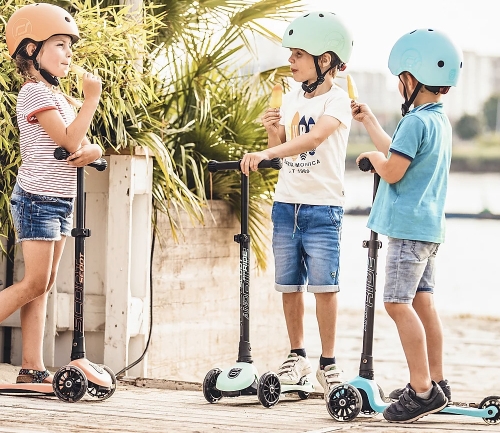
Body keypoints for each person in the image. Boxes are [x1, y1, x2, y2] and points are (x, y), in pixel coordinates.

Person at [240, 11, 354, 398]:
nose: (290, 61)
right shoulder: (290, 98)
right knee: (289, 285)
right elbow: (287, 150)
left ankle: (329, 363)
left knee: (325, 287)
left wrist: (268, 147)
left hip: (323, 207)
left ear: (325, 60)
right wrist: (274, 131)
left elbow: (312, 140)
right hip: (287, 204)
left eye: (298, 54)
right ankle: (297, 356)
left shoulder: (338, 100)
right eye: (291, 54)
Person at [351, 28, 463, 422]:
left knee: (396, 304)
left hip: (407, 230)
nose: (400, 85)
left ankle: (421, 390)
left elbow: (394, 169)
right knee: (423, 303)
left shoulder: (415, 122)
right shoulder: (436, 121)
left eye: (400, 78)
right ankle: (438, 380)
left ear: (411, 79)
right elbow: (399, 149)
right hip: (429, 230)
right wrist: (369, 123)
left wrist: (371, 158)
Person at [2, 3, 102, 384]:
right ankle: (31, 365)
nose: (69, 53)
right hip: (37, 198)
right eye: (59, 44)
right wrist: (92, 98)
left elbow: (78, 144)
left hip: (58, 200)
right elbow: (68, 137)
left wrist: (93, 151)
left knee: (41, 285)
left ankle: (31, 367)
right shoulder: (34, 94)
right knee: (33, 283)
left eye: (68, 45)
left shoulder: (56, 95)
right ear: (30, 50)